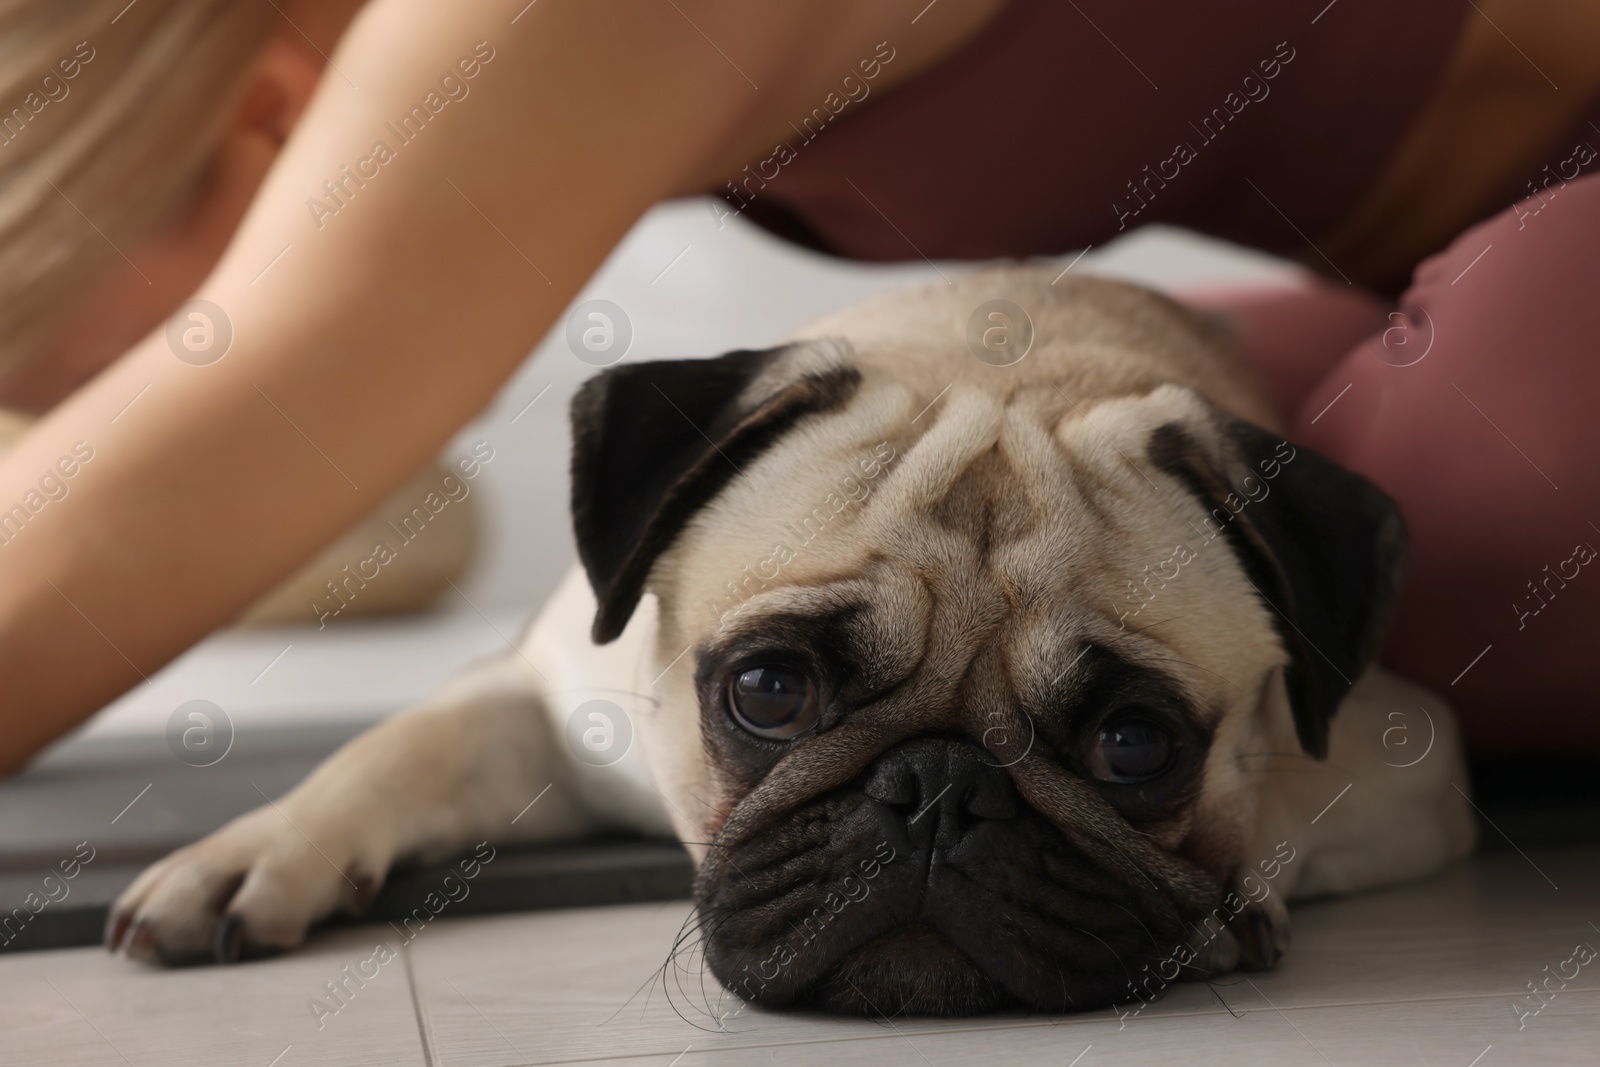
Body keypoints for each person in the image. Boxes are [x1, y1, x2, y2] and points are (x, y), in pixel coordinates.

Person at [0, 0, 1594, 774]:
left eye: (108, 381)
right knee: (1137, 516)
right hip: (1435, 270)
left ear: (268, 124)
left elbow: (80, 552)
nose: (108, 426)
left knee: (1458, 538)